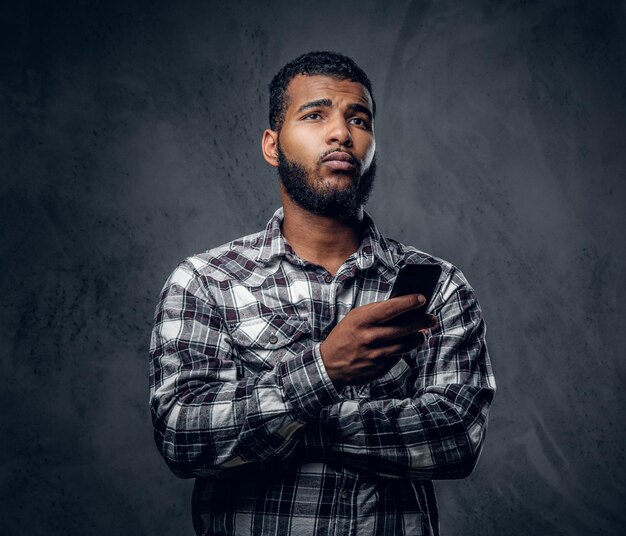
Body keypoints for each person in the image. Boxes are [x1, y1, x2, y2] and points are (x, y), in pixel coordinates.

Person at [149, 51, 495, 536]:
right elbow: (184, 437)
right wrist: (325, 370)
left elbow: (456, 438)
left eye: (359, 119)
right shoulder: (206, 281)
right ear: (272, 145)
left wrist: (294, 421)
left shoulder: (437, 286)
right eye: (315, 115)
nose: (342, 134)